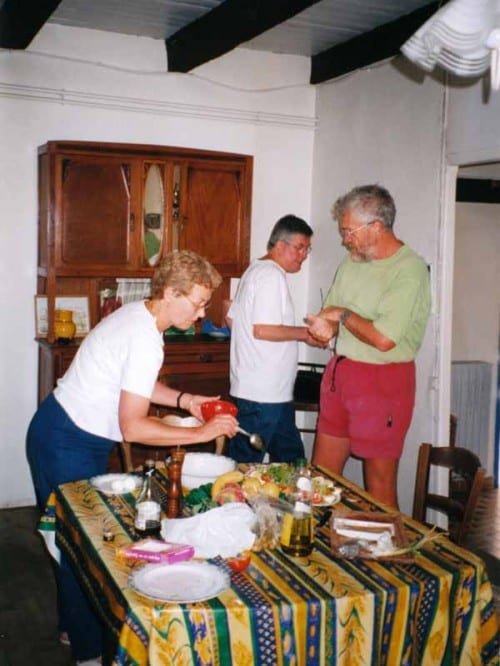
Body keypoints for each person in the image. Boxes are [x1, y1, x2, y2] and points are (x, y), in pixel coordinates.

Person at [26, 250, 238, 664]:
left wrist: (186, 400)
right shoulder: (145, 337)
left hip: (57, 430)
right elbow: (133, 427)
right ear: (171, 293)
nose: (200, 314)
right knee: (81, 549)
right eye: (196, 302)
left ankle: (73, 628)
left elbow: (137, 384)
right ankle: (89, 652)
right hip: (67, 442)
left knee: (70, 540)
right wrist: (203, 431)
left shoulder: (139, 317)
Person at [306, 185, 431, 508]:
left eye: (349, 231)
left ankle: (385, 554)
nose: (345, 239)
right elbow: (331, 313)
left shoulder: (409, 269)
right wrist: (324, 326)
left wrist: (342, 316)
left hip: (383, 381)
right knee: (322, 477)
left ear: (376, 226)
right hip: (341, 375)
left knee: (378, 485)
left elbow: (384, 339)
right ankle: (319, 548)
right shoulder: (352, 262)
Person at [226, 214, 322, 463]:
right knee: (245, 466)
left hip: (270, 393)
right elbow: (263, 330)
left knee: (293, 464)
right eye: (300, 247)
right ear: (280, 245)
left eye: (307, 249)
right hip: (262, 395)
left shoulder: (255, 270)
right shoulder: (270, 275)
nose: (304, 255)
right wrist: (306, 334)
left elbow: (233, 319)